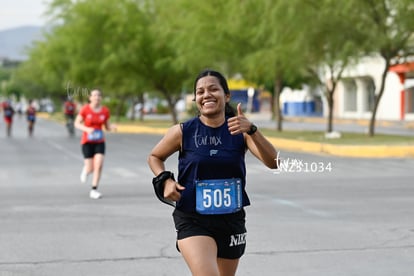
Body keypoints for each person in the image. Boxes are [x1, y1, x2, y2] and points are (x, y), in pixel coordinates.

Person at [147, 69, 278, 276]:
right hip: (192, 218)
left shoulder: (240, 131)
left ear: (226, 96)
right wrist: (165, 180)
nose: (206, 95)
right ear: (196, 99)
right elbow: (155, 157)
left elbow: (274, 163)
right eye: (200, 92)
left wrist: (253, 130)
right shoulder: (183, 131)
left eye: (213, 89)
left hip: (231, 220)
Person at [74, 89, 116, 199]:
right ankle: (86, 170)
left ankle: (94, 190)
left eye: (99, 95)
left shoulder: (105, 111)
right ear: (90, 98)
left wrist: (112, 128)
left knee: (99, 165)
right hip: (87, 142)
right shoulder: (85, 109)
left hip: (99, 142)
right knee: (90, 168)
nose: (97, 97)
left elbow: (107, 126)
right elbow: (77, 124)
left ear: (101, 98)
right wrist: (87, 129)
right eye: (94, 95)